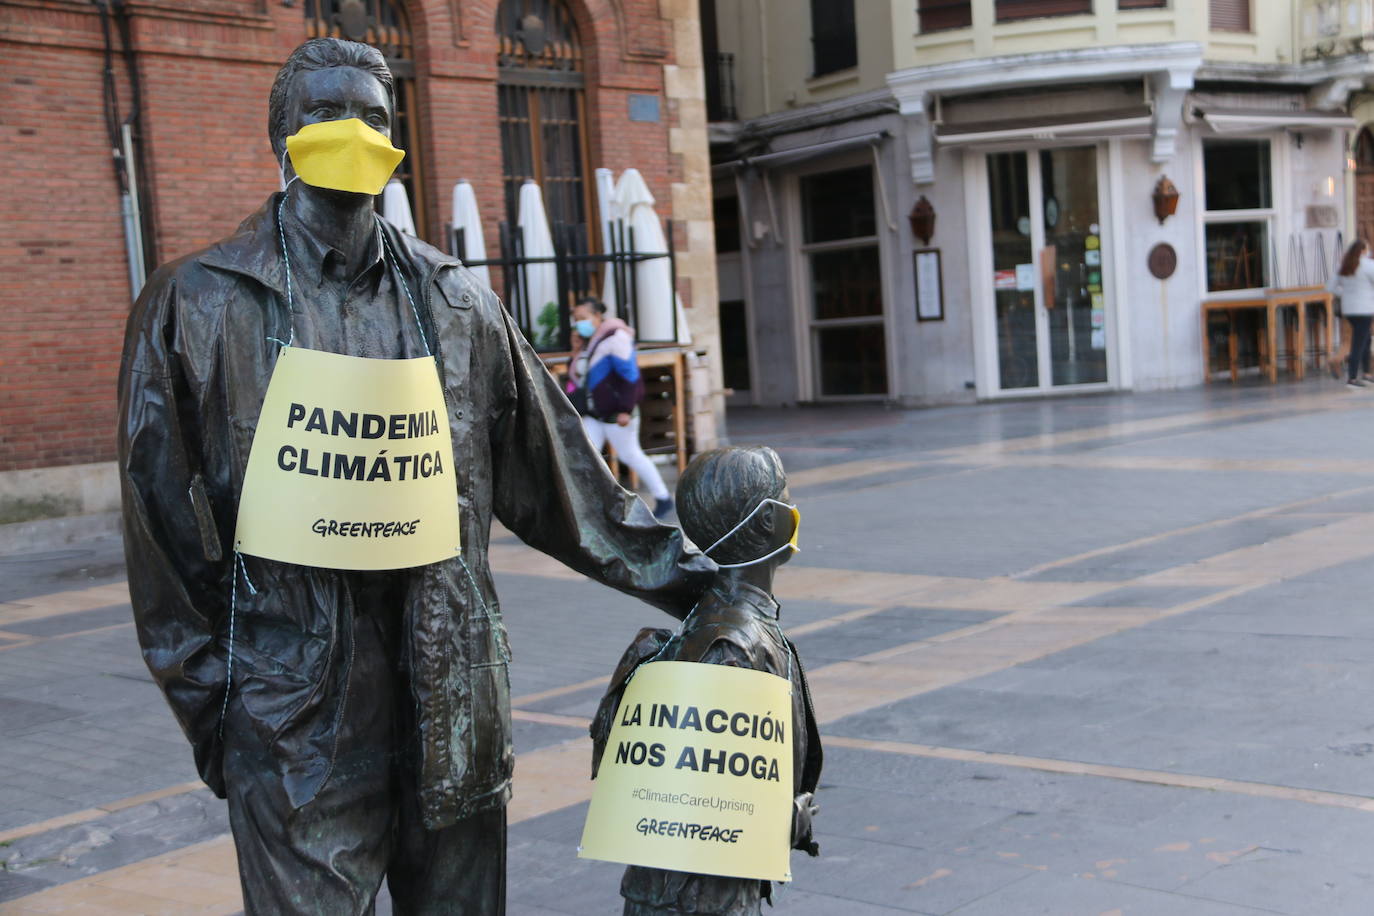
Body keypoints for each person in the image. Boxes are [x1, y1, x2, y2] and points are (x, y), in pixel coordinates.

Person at [117, 38, 714, 915]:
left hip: (450, 700)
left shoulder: (457, 303)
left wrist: (705, 583)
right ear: (282, 138)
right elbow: (158, 532)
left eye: (373, 115)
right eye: (327, 113)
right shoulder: (196, 305)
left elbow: (566, 490)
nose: (352, 131)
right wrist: (225, 715)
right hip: (295, 724)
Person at [590, 446, 822, 916]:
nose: (795, 510)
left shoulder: (733, 621)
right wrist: (791, 817)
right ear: (764, 523)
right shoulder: (732, 645)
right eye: (786, 499)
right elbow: (710, 808)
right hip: (696, 901)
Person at [566, 296, 675, 518]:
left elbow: (630, 376)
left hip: (617, 413)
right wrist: (576, 350)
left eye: (582, 318)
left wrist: (625, 408)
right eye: (576, 319)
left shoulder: (616, 337)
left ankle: (663, 498)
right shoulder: (592, 341)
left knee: (631, 455)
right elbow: (580, 375)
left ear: (597, 316)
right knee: (586, 454)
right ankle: (588, 506)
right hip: (595, 412)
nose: (579, 324)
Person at [1333, 239, 1374, 389]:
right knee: (1359, 342)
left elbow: (1330, 286)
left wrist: (1344, 294)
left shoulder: (1343, 265)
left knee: (1366, 338)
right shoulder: (1368, 265)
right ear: (1363, 251)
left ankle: (1367, 374)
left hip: (1349, 309)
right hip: (1364, 309)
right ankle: (1352, 378)